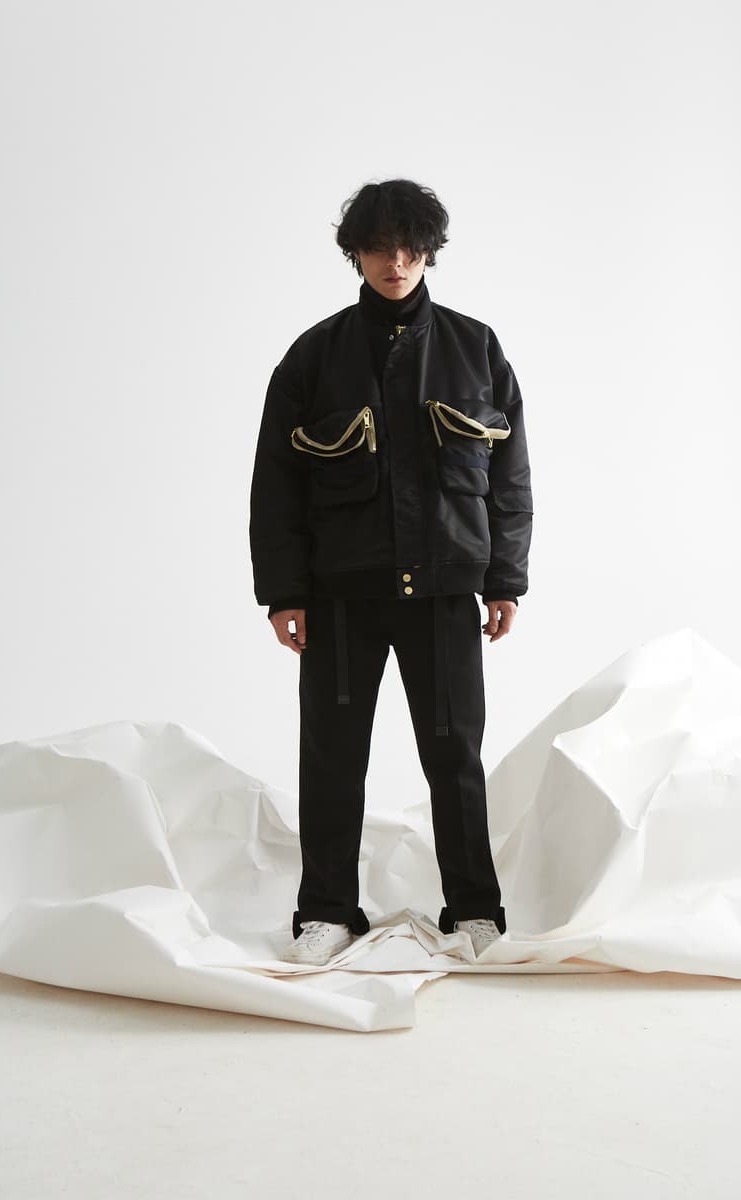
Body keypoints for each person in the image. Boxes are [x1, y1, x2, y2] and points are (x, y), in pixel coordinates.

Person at [249, 178, 533, 966]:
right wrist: (284, 592)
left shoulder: (476, 348)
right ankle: (326, 911)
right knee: (332, 759)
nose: (396, 262)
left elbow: (509, 476)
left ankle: (474, 910)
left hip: (444, 592)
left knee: (455, 758)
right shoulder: (314, 356)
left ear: (430, 251)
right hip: (341, 596)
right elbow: (275, 485)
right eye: (379, 248)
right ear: (356, 254)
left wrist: (505, 579)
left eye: (410, 248)